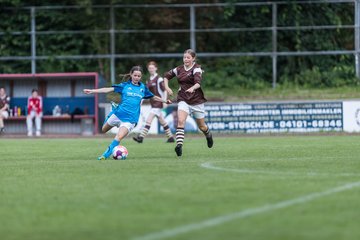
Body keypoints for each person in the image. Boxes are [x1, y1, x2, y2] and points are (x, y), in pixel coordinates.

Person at [83, 66, 172, 160]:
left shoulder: (143, 88)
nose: (137, 77)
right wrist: (92, 91)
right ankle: (113, 111)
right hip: (118, 114)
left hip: (130, 120)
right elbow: (108, 89)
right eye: (135, 75)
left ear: (141, 77)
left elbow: (153, 96)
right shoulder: (124, 86)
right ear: (131, 75)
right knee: (103, 130)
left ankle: (105, 156)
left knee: (119, 136)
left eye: (139, 76)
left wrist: (164, 101)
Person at [163, 49, 213, 157]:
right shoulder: (179, 69)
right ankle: (179, 146)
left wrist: (192, 88)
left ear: (193, 58)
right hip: (183, 99)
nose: (185, 59)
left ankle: (208, 135)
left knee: (202, 126)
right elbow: (166, 76)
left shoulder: (197, 69)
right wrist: (167, 88)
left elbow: (198, 83)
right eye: (184, 57)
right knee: (180, 121)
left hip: (196, 101)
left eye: (188, 57)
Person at [133, 61, 175, 143]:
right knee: (163, 122)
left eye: (152, 68)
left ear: (156, 68)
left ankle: (141, 137)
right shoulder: (148, 80)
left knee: (149, 120)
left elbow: (164, 91)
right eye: (149, 68)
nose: (151, 69)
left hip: (158, 103)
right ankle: (171, 137)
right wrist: (141, 101)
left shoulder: (159, 79)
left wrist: (164, 101)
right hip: (153, 103)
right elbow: (146, 93)